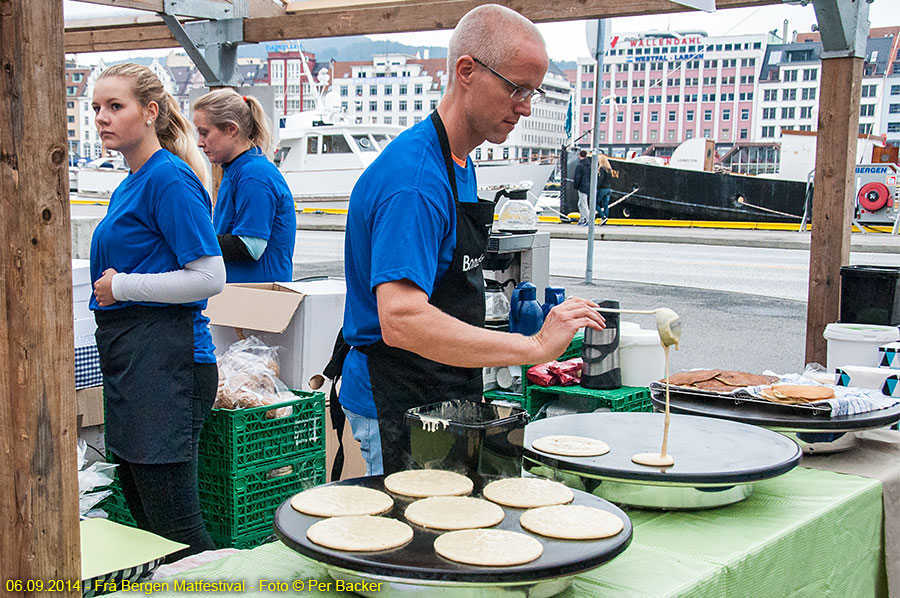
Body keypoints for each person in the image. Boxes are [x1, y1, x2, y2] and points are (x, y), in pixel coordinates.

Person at [338, 4, 606, 476]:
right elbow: (401, 319)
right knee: (415, 539)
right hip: (397, 393)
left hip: (443, 387)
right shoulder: (415, 181)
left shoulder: (460, 160)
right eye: (516, 88)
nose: (525, 106)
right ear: (467, 71)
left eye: (533, 92)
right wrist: (533, 347)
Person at [90, 63, 225, 560]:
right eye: (96, 108)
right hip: (136, 363)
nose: (102, 118)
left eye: (115, 106)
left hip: (169, 365)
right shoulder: (133, 181)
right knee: (150, 529)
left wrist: (122, 285)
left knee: (177, 530)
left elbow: (211, 276)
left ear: (150, 112)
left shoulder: (168, 178)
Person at [192, 89, 296, 283]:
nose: (199, 143)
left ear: (232, 129)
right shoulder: (239, 171)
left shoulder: (254, 175)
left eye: (204, 133)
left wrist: (192, 236)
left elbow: (250, 247)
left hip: (256, 296)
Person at [572, 149, 592, 225]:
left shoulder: (580, 165)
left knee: (583, 204)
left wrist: (576, 185)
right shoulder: (589, 165)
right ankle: (582, 218)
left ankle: (588, 219)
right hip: (587, 186)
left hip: (581, 187)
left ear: (580, 155)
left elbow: (577, 177)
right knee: (580, 203)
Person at [596, 153, 613, 224]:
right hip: (608, 189)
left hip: (602, 189)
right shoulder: (609, 169)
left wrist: (597, 187)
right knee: (606, 205)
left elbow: (601, 180)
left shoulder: (602, 169)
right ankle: (605, 219)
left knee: (595, 204)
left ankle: (603, 216)